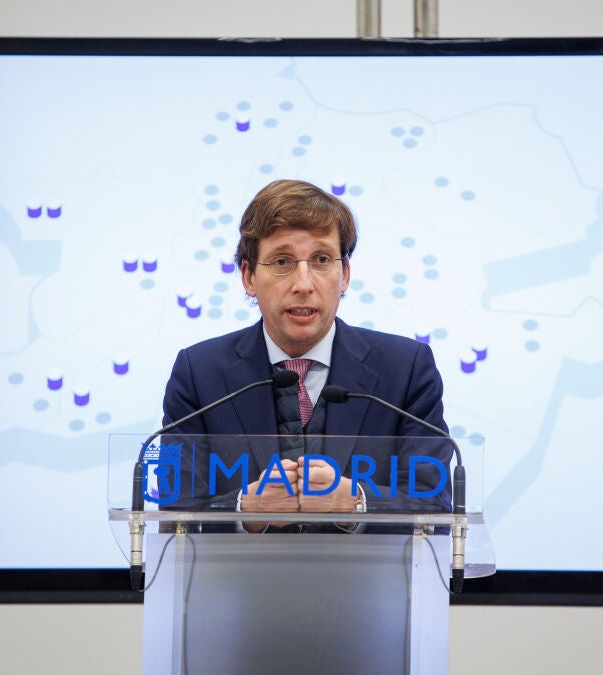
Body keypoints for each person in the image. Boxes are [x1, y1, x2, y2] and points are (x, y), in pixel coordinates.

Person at [160, 179, 451, 520]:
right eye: (282, 261)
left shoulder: (406, 369)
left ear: (345, 274)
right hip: (243, 559)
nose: (303, 284)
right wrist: (245, 508)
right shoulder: (198, 373)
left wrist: (356, 502)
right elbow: (174, 510)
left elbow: (435, 504)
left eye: (321, 259)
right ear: (248, 276)